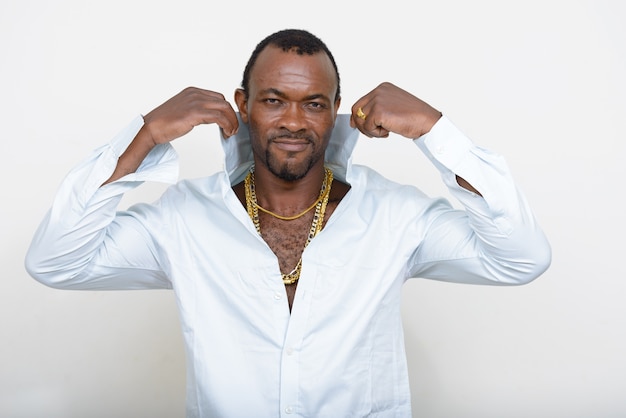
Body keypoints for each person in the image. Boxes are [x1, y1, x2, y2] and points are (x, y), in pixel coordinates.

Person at [25, 28, 551, 417]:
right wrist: (144, 137)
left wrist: (436, 132)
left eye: (313, 104)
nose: (294, 121)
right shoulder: (183, 219)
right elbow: (55, 261)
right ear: (243, 106)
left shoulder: (395, 216)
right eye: (274, 101)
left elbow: (521, 258)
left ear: (335, 109)